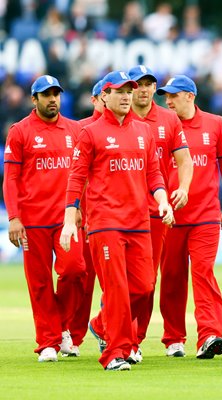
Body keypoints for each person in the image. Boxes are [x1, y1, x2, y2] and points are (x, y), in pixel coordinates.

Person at [60, 71, 174, 371]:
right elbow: (76, 179)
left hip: (139, 222)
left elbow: (154, 174)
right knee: (118, 290)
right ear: (104, 97)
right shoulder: (90, 133)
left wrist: (163, 200)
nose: (126, 96)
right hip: (105, 222)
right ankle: (115, 353)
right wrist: (70, 221)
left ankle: (100, 322)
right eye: (119, 91)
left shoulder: (143, 132)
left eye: (129, 90)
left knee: (145, 286)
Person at [3, 75, 86, 362]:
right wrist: (14, 217)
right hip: (32, 220)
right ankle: (48, 342)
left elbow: (84, 175)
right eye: (46, 94)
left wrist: (79, 209)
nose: (52, 99)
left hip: (66, 219)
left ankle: (61, 326)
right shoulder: (20, 131)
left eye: (56, 94)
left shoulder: (75, 130)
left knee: (75, 271)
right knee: (39, 283)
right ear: (33, 100)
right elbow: (11, 178)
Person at [155, 75, 222, 359]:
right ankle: (173, 338)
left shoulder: (215, 124)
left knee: (204, 273)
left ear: (190, 96)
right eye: (166, 96)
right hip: (171, 217)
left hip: (205, 215)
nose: (167, 100)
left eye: (173, 95)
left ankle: (210, 334)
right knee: (172, 278)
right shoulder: (163, 125)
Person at [127, 65, 193, 357]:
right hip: (117, 212)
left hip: (154, 212)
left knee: (146, 281)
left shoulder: (168, 120)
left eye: (148, 84)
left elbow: (185, 160)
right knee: (120, 280)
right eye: (137, 84)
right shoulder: (117, 118)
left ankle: (132, 339)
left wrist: (183, 188)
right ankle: (117, 334)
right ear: (128, 88)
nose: (143, 89)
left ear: (154, 88)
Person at [69, 78, 105, 355]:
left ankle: (107, 329)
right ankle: (73, 334)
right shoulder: (79, 129)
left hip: (112, 217)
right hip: (84, 216)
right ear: (94, 100)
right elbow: (73, 174)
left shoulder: (131, 129)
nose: (109, 99)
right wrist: (75, 207)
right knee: (82, 277)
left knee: (116, 281)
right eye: (103, 95)